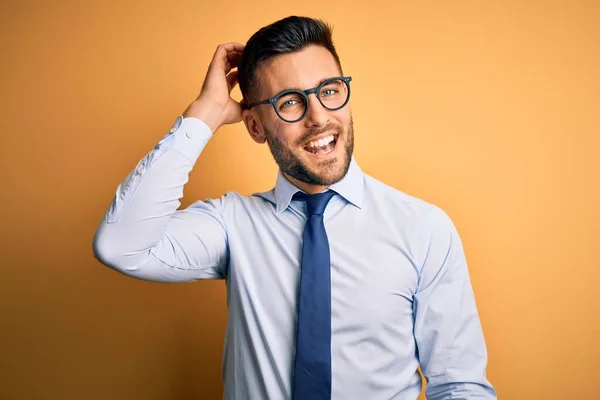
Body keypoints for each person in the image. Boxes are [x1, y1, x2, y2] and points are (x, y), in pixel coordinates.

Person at [93, 15, 497, 400]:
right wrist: (207, 113)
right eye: (289, 102)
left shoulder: (423, 228)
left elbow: (460, 386)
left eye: (330, 90)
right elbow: (120, 246)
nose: (319, 117)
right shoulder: (232, 225)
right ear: (255, 126)